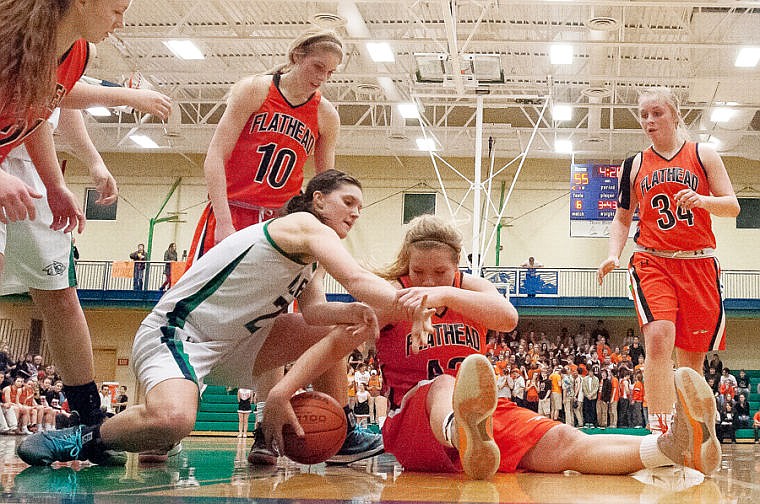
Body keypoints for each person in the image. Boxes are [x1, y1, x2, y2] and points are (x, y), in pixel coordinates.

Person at [17, 170, 432, 466]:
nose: (357, 212)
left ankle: (334, 428)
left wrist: (353, 310)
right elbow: (358, 278)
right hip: (178, 333)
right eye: (349, 201)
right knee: (173, 421)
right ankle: (85, 436)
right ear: (318, 199)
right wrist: (415, 302)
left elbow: (316, 313)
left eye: (361, 205)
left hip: (233, 347)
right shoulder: (304, 225)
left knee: (345, 323)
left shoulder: (309, 256)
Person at [374, 214, 723, 479]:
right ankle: (459, 432)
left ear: (457, 266)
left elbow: (508, 318)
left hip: (480, 419)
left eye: (440, 272)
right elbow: (355, 324)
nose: (428, 282)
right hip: (411, 426)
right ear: (407, 263)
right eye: (419, 272)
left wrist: (447, 294)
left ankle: (674, 447)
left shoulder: (467, 287)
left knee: (567, 442)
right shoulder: (392, 290)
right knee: (444, 384)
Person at [184, 29, 344, 464]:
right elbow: (214, 155)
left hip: (281, 224)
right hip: (232, 208)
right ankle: (170, 421)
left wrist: (323, 243)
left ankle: (264, 430)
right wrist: (220, 220)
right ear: (296, 56)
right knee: (191, 314)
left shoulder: (325, 115)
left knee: (272, 320)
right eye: (316, 67)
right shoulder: (255, 89)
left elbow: (324, 187)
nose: (321, 79)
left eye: (330, 73)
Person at [597, 86, 739, 437]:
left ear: (675, 115)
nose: (649, 120)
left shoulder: (703, 153)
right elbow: (621, 218)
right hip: (652, 261)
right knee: (659, 338)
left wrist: (703, 201)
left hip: (699, 263)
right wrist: (613, 254)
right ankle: (659, 432)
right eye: (643, 115)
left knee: (691, 361)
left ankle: (690, 432)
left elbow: (732, 205)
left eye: (656, 113)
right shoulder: (634, 165)